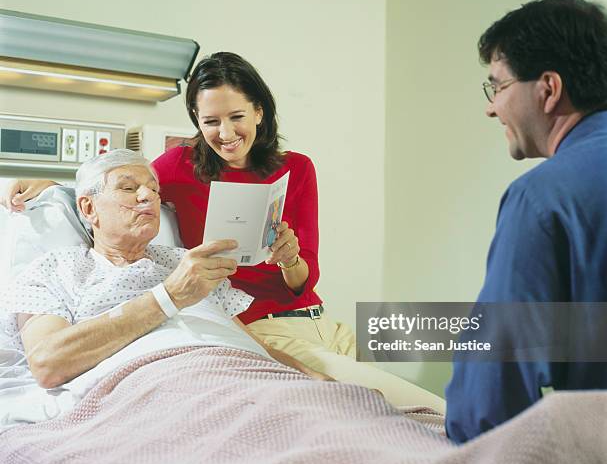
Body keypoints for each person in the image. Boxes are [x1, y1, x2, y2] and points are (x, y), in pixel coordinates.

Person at [0, 54, 444, 410]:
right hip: (259, 329)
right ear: (196, 119)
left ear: (260, 111)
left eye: (236, 117)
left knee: (463, 351)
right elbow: (117, 188)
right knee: (412, 408)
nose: (225, 133)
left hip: (318, 318)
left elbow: (304, 281)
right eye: (210, 121)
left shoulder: (297, 169)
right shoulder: (178, 168)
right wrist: (50, 187)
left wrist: (290, 258)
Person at [1, 149, 334, 389]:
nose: (148, 196)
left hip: (252, 377)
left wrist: (309, 376)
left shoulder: (183, 261)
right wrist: (169, 296)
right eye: (129, 188)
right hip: (160, 388)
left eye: (155, 189)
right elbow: (47, 363)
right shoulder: (55, 270)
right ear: (88, 207)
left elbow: (248, 342)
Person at [445, 0, 607, 443]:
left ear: (548, 89)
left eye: (497, 87)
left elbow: (487, 405)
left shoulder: (543, 198)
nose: (491, 108)